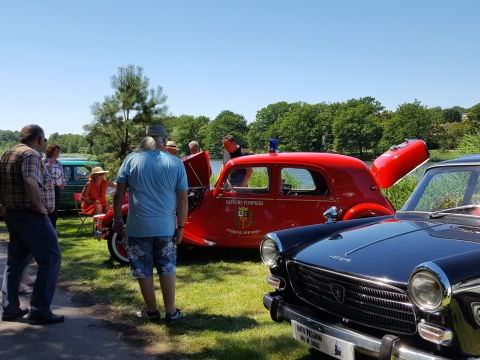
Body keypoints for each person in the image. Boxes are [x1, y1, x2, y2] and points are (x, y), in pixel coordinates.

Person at [113, 125, 188, 322]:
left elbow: (119, 193)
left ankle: (152, 311)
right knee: (167, 267)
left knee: (143, 269)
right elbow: (183, 198)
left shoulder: (131, 160)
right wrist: (181, 226)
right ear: (164, 140)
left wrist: (118, 219)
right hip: (165, 228)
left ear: (146, 139)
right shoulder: (176, 163)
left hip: (138, 227)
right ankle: (171, 312)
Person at [0, 124, 63, 324]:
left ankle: (10, 307)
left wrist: (3, 205)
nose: (44, 144)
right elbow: (30, 180)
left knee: (15, 262)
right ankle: (40, 310)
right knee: (51, 258)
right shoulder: (31, 155)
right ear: (38, 139)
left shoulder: (7, 154)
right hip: (31, 216)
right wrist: (40, 207)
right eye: (44, 141)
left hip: (14, 214)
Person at [44, 144, 66, 229]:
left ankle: (53, 228)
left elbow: (62, 175)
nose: (58, 153)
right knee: (48, 210)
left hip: (57, 189)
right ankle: (46, 229)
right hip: (47, 190)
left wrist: (63, 183)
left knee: (55, 210)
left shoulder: (59, 163)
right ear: (51, 151)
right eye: (56, 151)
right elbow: (43, 176)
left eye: (58, 151)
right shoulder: (44, 162)